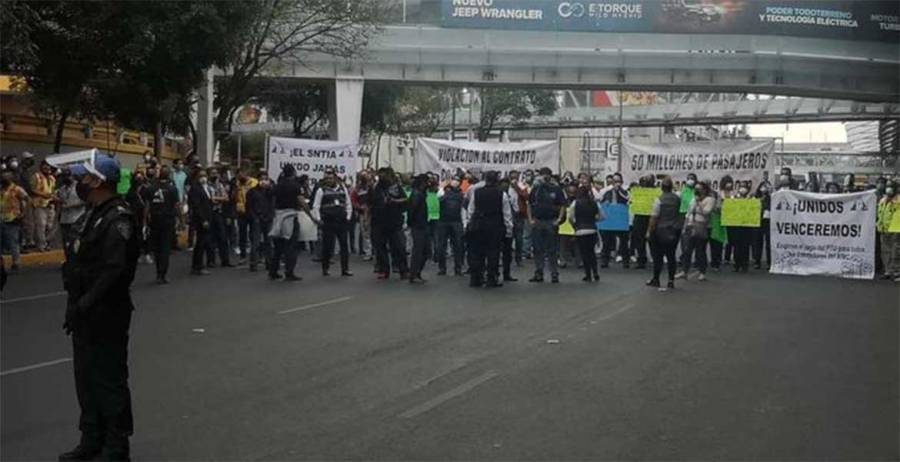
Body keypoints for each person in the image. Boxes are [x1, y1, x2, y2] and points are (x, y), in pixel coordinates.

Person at [60, 154, 139, 462]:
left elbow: (114, 270)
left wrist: (85, 303)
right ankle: (91, 438)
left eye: (85, 177)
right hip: (84, 312)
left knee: (108, 380)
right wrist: (75, 307)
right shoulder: (93, 214)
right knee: (86, 379)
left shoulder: (118, 218)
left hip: (106, 313)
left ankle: (116, 446)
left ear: (98, 181)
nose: (80, 182)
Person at [467, 171, 512, 288]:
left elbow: (471, 210)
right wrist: (508, 230)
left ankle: (476, 278)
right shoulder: (502, 194)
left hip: (478, 225)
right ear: (496, 180)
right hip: (495, 226)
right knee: (493, 253)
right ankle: (491, 278)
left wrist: (469, 224)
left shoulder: (476, 193)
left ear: (485, 180)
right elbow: (507, 214)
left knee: (477, 253)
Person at [312, 168, 353, 277]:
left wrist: (348, 217)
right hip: (328, 221)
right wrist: (318, 219)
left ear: (335, 178)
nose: (329, 180)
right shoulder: (321, 190)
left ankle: (345, 269)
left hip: (342, 221)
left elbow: (348, 203)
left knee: (344, 246)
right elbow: (316, 206)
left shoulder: (343, 189)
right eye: (327, 178)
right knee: (328, 246)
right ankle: (325, 268)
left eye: (331, 178)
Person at [528, 167, 566, 283]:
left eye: (546, 175)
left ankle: (554, 273)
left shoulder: (556, 189)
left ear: (550, 176)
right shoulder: (535, 189)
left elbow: (562, 205)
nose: (544, 177)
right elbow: (529, 204)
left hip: (551, 221)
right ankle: (539, 272)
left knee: (552, 249)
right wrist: (530, 219)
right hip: (538, 221)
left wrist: (559, 219)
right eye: (542, 175)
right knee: (537, 249)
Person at [370, 168, 409, 280]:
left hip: (394, 222)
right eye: (380, 175)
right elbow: (370, 203)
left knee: (399, 247)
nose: (382, 177)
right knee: (380, 248)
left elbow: (405, 200)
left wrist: (394, 201)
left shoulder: (396, 188)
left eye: (384, 175)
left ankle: (403, 270)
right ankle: (384, 270)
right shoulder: (375, 188)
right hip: (379, 222)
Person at [269, 165, 304, 282]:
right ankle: (289, 272)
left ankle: (273, 271)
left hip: (278, 217)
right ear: (293, 173)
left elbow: (271, 197)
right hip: (290, 217)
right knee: (291, 246)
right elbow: (301, 201)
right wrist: (311, 216)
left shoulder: (278, 185)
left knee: (278, 246)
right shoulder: (295, 186)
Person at [646, 177, 682, 291]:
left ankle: (656, 279)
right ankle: (671, 281)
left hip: (660, 231)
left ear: (661, 188)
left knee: (658, 257)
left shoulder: (659, 200)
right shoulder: (677, 199)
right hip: (674, 230)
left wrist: (649, 231)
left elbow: (654, 218)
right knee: (671, 256)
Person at [145, 167, 180, 284]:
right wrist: (181, 220)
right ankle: (162, 273)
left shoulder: (151, 188)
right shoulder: (172, 189)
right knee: (165, 247)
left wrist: (145, 221)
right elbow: (177, 206)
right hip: (167, 221)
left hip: (155, 220)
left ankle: (158, 272)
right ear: (169, 175)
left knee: (157, 248)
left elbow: (147, 206)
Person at [676, 181, 715, 281]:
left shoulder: (709, 200)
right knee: (687, 250)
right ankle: (684, 271)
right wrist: (687, 224)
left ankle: (702, 272)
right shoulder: (693, 199)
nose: (697, 190)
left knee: (700, 250)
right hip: (691, 225)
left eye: (699, 189)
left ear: (704, 190)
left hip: (702, 226)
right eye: (696, 189)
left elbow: (706, 212)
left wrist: (699, 203)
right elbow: (689, 212)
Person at [568, 185, 603, 282]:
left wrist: (574, 226)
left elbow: (570, 217)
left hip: (580, 230)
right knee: (591, 252)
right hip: (592, 229)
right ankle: (595, 273)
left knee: (584, 253)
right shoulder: (594, 203)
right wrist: (594, 220)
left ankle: (588, 274)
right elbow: (602, 216)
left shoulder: (575, 203)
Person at [599, 173, 630, 269]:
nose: (616, 183)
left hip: (621, 220)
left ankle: (626, 261)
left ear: (621, 182)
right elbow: (601, 202)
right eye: (614, 181)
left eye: (618, 181)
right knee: (607, 242)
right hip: (610, 220)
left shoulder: (625, 192)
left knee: (624, 242)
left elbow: (627, 199)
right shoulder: (607, 192)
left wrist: (619, 190)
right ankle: (605, 261)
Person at [0, 169, 29, 271]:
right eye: (2, 177)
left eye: (6, 177)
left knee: (13, 241)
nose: (3, 179)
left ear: (10, 179)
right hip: (1, 218)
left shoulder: (17, 189)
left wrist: (23, 214)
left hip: (13, 219)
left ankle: (16, 262)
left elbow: (26, 200)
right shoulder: (0, 189)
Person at [436, 177, 465, 276]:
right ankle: (444, 268)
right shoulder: (443, 192)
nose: (455, 182)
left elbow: (463, 209)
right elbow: (439, 198)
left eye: (457, 180)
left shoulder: (461, 194)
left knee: (457, 246)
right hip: (446, 222)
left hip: (454, 222)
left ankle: (457, 268)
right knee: (443, 246)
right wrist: (441, 187)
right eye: (454, 180)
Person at [246, 173, 275, 273]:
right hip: (257, 219)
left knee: (269, 243)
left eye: (266, 179)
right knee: (256, 242)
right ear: (258, 180)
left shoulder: (269, 192)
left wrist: (271, 216)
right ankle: (253, 264)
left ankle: (270, 263)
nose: (264, 181)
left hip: (268, 219)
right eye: (262, 179)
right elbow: (249, 207)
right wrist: (254, 218)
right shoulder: (252, 192)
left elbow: (272, 205)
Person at [205, 168, 233, 268]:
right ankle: (211, 260)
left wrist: (217, 198)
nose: (215, 175)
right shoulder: (206, 185)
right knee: (210, 238)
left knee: (223, 237)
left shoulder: (219, 185)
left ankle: (225, 260)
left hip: (219, 213)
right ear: (208, 175)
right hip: (209, 213)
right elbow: (209, 199)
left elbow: (226, 198)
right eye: (213, 173)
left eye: (216, 173)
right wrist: (217, 199)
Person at [188, 170, 214, 276]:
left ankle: (197, 265)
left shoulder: (205, 187)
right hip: (201, 220)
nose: (204, 178)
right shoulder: (195, 188)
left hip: (207, 218)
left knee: (202, 243)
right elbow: (197, 206)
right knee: (200, 244)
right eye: (201, 176)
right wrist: (203, 220)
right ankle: (198, 266)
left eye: (205, 176)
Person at [56, 170, 85, 263]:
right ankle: (69, 260)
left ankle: (77, 260)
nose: (66, 178)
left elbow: (85, 201)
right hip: (65, 219)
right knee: (65, 241)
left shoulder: (80, 187)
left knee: (76, 241)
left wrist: (72, 205)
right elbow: (61, 203)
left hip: (77, 218)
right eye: (64, 176)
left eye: (68, 176)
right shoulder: (62, 189)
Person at [407, 174, 430, 284]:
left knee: (424, 251)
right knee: (418, 251)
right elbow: (412, 211)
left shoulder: (420, 194)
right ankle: (414, 274)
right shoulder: (417, 194)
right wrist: (411, 223)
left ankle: (417, 273)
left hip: (422, 225)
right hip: (418, 226)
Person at [30, 159, 57, 252]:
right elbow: (32, 189)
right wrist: (43, 195)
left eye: (49, 166)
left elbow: (52, 190)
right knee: (41, 225)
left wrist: (53, 197)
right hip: (39, 204)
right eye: (45, 165)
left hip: (50, 204)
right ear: (41, 166)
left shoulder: (52, 178)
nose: (47, 167)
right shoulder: (36, 176)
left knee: (50, 226)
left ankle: (47, 243)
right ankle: (41, 245)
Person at [630, 175, 655, 270]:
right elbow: (632, 202)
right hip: (639, 217)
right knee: (639, 241)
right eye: (643, 181)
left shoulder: (655, 192)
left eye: (647, 181)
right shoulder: (637, 192)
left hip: (651, 217)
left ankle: (655, 259)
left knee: (653, 240)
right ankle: (641, 260)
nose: (645, 183)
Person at [877, 181, 900, 281]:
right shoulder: (882, 200)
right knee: (885, 251)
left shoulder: (898, 200)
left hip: (896, 229)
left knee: (895, 252)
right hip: (884, 229)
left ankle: (897, 272)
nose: (889, 189)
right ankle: (888, 271)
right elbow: (880, 213)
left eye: (891, 187)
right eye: (887, 187)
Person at [729, 180, 753, 273]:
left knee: (745, 246)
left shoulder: (751, 199)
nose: (743, 189)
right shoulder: (734, 198)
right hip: (736, 225)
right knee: (737, 246)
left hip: (747, 226)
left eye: (744, 187)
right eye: (741, 187)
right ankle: (736, 264)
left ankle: (745, 264)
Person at [234, 171, 258, 263]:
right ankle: (243, 256)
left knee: (254, 234)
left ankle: (255, 255)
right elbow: (235, 197)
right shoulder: (238, 184)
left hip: (252, 211)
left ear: (246, 174)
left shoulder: (254, 182)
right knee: (242, 234)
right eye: (238, 176)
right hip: (242, 212)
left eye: (241, 175)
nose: (239, 177)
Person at [499, 177, 519, 282]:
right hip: (498, 225)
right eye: (503, 184)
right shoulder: (498, 194)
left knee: (507, 252)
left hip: (509, 224)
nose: (505, 186)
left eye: (506, 184)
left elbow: (516, 209)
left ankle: (507, 273)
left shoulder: (512, 193)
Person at [351, 172, 373, 261]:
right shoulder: (357, 189)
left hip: (372, 212)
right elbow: (353, 200)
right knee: (365, 233)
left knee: (373, 233)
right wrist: (359, 207)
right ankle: (368, 252)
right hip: (363, 213)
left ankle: (374, 251)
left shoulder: (372, 188)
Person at [752, 182, 772, 269]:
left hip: (768, 221)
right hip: (758, 221)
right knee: (757, 242)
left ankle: (769, 262)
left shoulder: (771, 198)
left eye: (766, 187)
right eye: (763, 186)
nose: (764, 188)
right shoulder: (756, 197)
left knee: (769, 243)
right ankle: (757, 261)